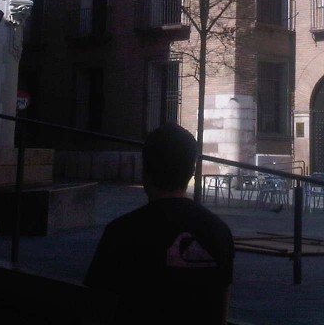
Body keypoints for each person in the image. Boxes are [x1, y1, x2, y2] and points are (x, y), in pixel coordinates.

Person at [84, 123, 235, 324]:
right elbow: (220, 313)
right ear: (192, 171)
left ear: (144, 170)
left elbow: (98, 309)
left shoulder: (121, 233)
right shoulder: (220, 232)